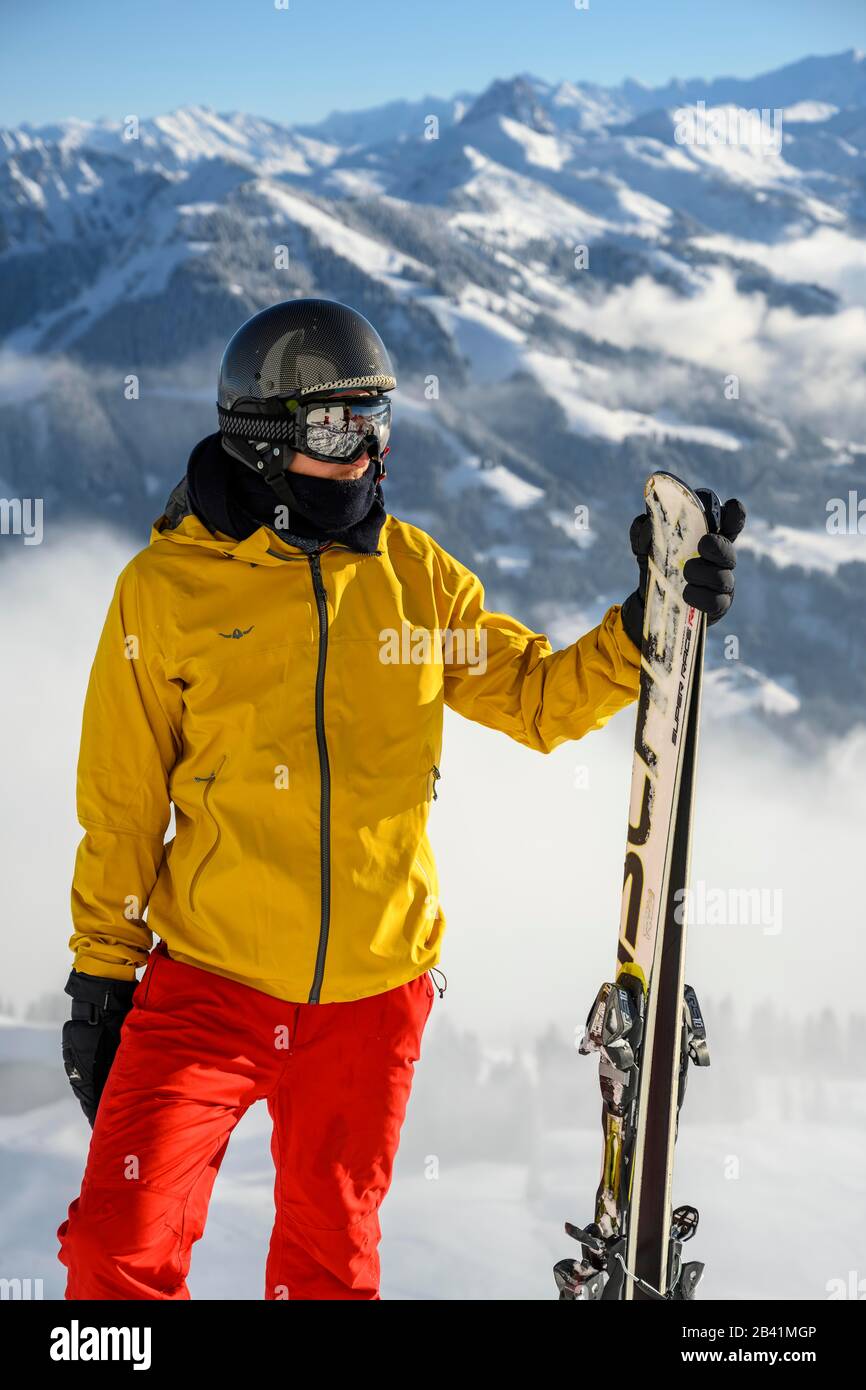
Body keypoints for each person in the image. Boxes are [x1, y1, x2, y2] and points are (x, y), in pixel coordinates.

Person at [57, 298, 744, 1300]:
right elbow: (122, 798)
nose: (365, 455)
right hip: (208, 985)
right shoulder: (166, 593)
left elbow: (533, 697)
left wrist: (643, 624)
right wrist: (100, 973)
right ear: (262, 440)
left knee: (329, 1266)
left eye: (378, 426)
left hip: (373, 996)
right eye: (338, 429)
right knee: (113, 1248)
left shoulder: (413, 582)